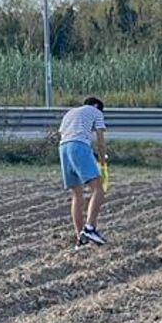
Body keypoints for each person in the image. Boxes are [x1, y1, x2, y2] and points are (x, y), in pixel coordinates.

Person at [57, 96, 109, 248]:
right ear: (97, 106)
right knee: (98, 189)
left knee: (76, 194)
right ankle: (90, 228)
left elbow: (67, 135)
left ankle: (80, 237)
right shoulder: (96, 112)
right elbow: (100, 139)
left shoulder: (71, 113)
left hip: (63, 149)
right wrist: (102, 159)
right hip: (79, 146)